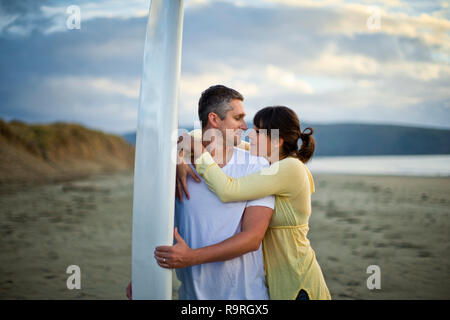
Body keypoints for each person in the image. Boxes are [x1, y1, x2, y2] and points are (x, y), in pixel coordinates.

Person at [156, 106, 331, 300]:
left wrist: (198, 153)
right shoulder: (268, 158)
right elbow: (198, 135)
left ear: (276, 141)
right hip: (274, 284)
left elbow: (228, 190)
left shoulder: (291, 168)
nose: (249, 135)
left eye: (257, 132)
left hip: (298, 283)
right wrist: (180, 156)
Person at [127, 85, 275, 300]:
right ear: (214, 120)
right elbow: (158, 225)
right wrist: (143, 274)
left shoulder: (256, 165)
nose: (245, 126)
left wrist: (192, 257)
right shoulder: (175, 165)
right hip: (192, 297)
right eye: (238, 118)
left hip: (246, 297)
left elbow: (252, 238)